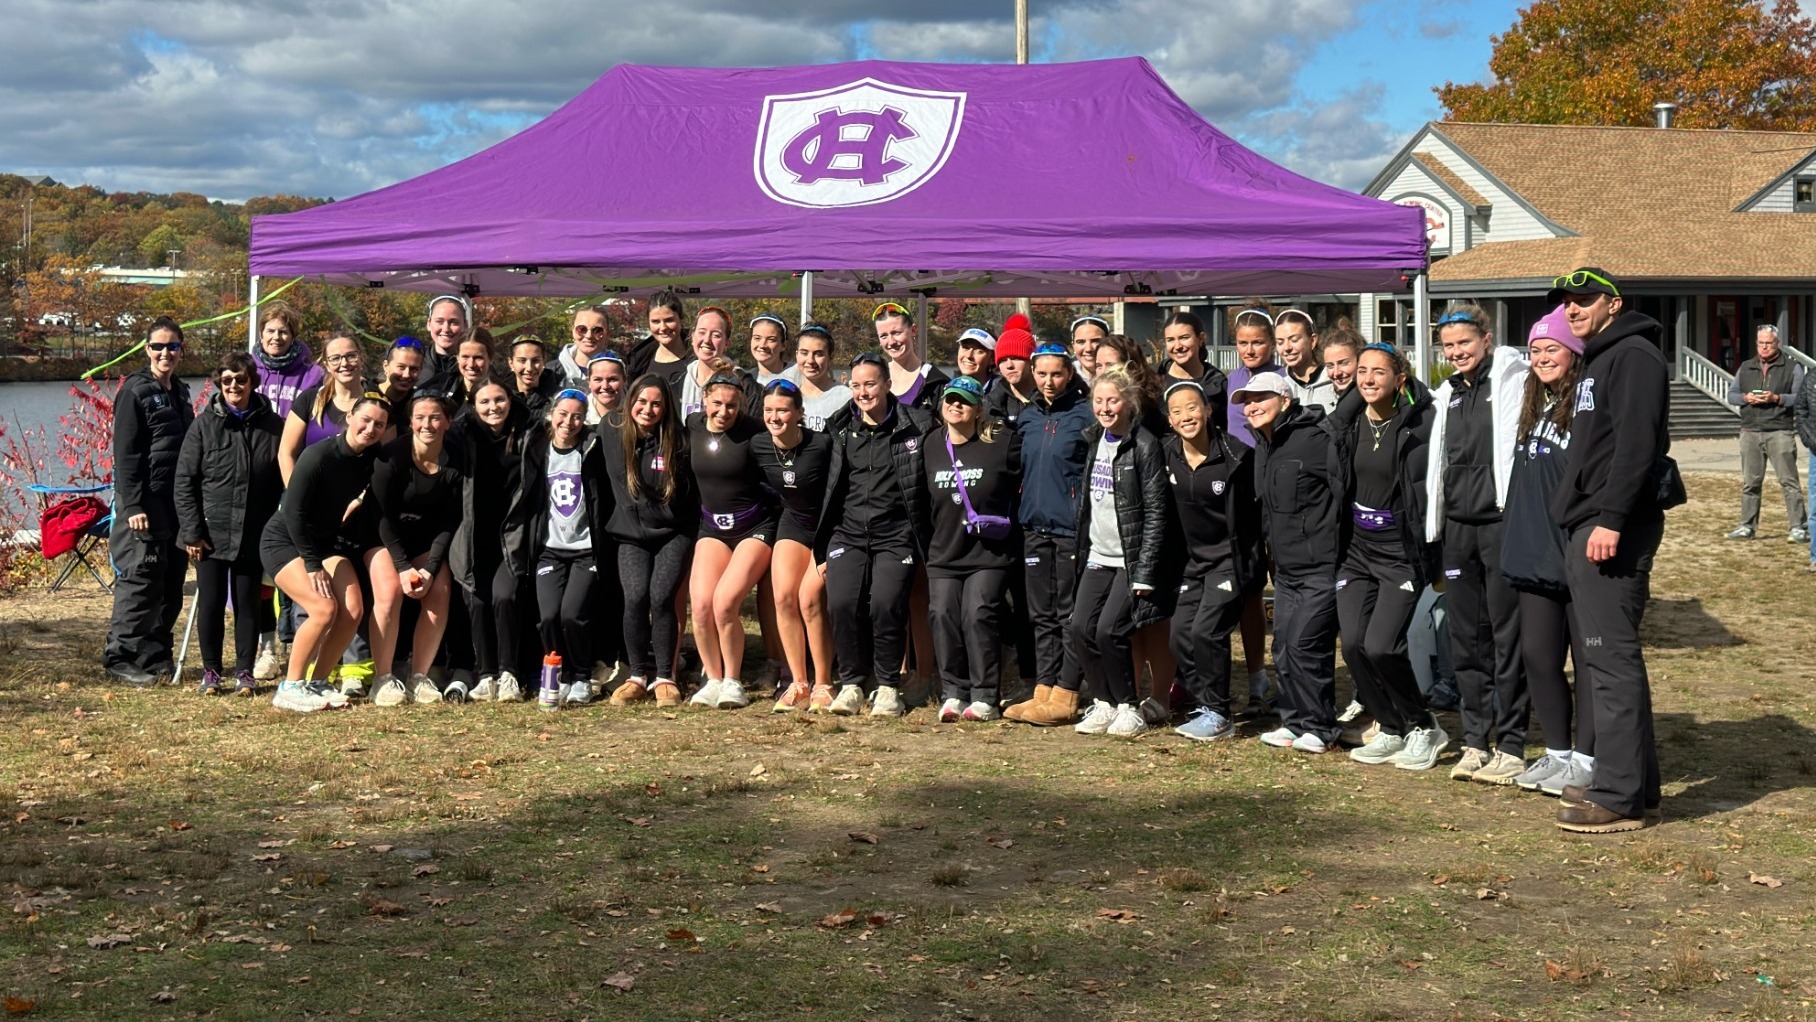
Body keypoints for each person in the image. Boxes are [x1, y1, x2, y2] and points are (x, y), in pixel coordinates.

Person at [1547, 267, 1669, 833]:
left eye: (1585, 300)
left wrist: (1611, 519)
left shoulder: (1635, 356)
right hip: (1591, 522)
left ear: (1612, 304)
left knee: (1609, 658)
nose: (1573, 309)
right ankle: (1634, 782)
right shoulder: (1600, 357)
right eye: (1567, 303)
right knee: (1609, 657)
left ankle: (1618, 797)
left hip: (1610, 528)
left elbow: (1637, 447)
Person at [1423, 304, 1532, 785]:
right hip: (1458, 530)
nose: (1456, 352)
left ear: (1486, 339)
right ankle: (1475, 740)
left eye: (1464, 342)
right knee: (1465, 639)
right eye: (1448, 346)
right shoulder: (1446, 393)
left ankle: (1511, 745)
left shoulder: (1514, 381)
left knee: (1508, 637)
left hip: (1501, 524)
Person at [1331, 344, 1449, 770]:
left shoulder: (1421, 425)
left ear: (1399, 379)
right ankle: (1391, 726)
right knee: (1355, 646)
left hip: (1399, 551)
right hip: (1356, 550)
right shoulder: (1346, 424)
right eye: (1362, 371)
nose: (1367, 379)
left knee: (1383, 646)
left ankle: (1423, 726)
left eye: (1378, 372)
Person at [1501, 307, 1596, 796]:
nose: (1541, 358)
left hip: (1579, 557)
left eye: (1551, 348)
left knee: (1589, 662)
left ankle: (1587, 758)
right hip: (1533, 553)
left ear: (1574, 351)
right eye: (1534, 350)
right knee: (1539, 657)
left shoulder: (1585, 405)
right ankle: (1558, 753)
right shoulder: (1533, 404)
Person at [817, 353, 933, 716]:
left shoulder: (917, 424)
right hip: (848, 532)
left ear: (886, 384)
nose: (864, 391)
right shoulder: (837, 428)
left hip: (896, 534)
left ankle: (887, 686)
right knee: (841, 603)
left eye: (870, 383)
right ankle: (851, 683)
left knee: (885, 604)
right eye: (856, 385)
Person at [259, 396, 389, 712]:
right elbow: (292, 512)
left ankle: (317, 684)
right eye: (365, 420)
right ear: (350, 418)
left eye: (379, 424)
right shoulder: (318, 455)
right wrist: (313, 565)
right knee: (322, 608)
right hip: (285, 542)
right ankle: (290, 687)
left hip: (324, 543)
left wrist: (359, 502)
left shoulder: (370, 458)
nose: (370, 429)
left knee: (353, 609)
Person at [1068, 365, 1174, 739]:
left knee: (1110, 630)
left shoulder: (1144, 445)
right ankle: (1103, 702)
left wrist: (1145, 571)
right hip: (1098, 554)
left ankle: (1129, 706)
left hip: (1129, 560)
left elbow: (1157, 512)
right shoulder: (1094, 439)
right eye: (1098, 400)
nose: (1105, 407)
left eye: (1113, 400)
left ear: (1129, 403)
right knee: (1081, 628)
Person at [1240, 371, 1342, 754]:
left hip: (1321, 564)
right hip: (1285, 570)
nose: (1252, 405)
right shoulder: (1263, 444)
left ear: (1285, 399)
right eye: (1247, 401)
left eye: (1261, 397)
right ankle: (1294, 722)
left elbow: (1341, 491)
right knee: (1282, 647)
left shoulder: (1315, 439)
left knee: (1306, 645)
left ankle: (1320, 725)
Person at [1159, 380, 1262, 742]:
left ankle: (1219, 713)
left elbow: (1256, 515)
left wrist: (1254, 564)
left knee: (1207, 631)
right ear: (1169, 421)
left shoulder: (1236, 456)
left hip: (1230, 561)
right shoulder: (1166, 453)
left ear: (1207, 410)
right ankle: (1204, 703)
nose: (1186, 416)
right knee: (1180, 636)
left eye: (1192, 407)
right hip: (1192, 563)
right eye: (1177, 411)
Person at [175, 351, 282, 695]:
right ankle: (211, 671)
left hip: (253, 531)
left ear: (252, 381)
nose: (234, 385)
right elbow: (185, 481)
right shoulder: (204, 425)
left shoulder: (273, 425)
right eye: (226, 380)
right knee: (210, 602)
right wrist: (192, 531)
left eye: (240, 379)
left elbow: (286, 476)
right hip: (209, 532)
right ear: (218, 384)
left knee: (248, 603)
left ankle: (245, 672)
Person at [1003, 344, 1096, 726]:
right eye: (1041, 374)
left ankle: (1068, 691)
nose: (1048, 382)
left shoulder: (1085, 414)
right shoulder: (1028, 416)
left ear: (1069, 374)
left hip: (1070, 529)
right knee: (1040, 614)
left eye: (1056, 374)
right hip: (1034, 527)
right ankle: (1044, 687)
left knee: (1068, 614)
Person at [501, 390, 612, 707]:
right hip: (550, 550)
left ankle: (580, 676)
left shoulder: (591, 449)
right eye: (563, 413)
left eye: (577, 415)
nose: (569, 421)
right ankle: (556, 675)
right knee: (548, 616)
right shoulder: (536, 450)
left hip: (585, 551)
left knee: (572, 614)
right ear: (551, 414)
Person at [922, 376, 1022, 721]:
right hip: (945, 551)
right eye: (950, 399)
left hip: (989, 553)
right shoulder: (930, 444)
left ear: (979, 409)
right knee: (942, 614)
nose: (955, 405)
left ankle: (984, 695)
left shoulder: (1002, 441)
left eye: (964, 400)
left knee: (978, 613)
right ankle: (954, 691)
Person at [103, 316, 195, 686]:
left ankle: (154, 655)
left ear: (181, 350)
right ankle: (120, 657)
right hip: (144, 504)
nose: (164, 353)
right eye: (157, 346)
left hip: (176, 503)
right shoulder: (134, 392)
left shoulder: (181, 392)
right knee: (141, 580)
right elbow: (125, 456)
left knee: (170, 582)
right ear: (146, 349)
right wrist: (134, 506)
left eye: (172, 346)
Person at [686, 366, 779, 711]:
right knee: (701, 606)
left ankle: (733, 680)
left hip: (754, 527)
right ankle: (712, 677)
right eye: (717, 404)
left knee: (725, 603)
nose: (723, 412)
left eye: (732, 406)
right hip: (712, 528)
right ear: (704, 401)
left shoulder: (754, 432)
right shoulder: (692, 427)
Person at [601, 376, 697, 707]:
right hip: (631, 533)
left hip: (674, 531)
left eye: (656, 403)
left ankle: (665, 677)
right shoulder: (612, 430)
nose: (648, 409)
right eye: (641, 402)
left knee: (661, 597)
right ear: (631, 403)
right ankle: (636, 675)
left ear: (666, 407)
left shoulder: (680, 440)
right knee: (636, 596)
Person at [364, 392, 464, 706]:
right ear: (410, 422)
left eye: (435, 417)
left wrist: (431, 568)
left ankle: (418, 677)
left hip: (427, 538)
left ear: (448, 422)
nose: (427, 424)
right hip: (383, 535)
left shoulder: (456, 459)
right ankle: (381, 679)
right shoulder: (391, 457)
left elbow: (450, 520)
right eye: (420, 417)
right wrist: (404, 567)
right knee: (391, 591)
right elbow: (382, 516)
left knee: (439, 593)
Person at [752, 379, 837, 712]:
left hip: (828, 527)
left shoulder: (823, 446)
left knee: (809, 597)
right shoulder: (758, 445)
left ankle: (824, 682)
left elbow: (842, 492)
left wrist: (832, 543)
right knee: (783, 596)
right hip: (794, 522)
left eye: (783, 410)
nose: (775, 417)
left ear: (799, 413)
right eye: (769, 410)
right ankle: (798, 682)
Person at [451, 379, 532, 702]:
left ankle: (509, 673)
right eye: (484, 402)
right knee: (478, 599)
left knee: (505, 596)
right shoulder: (462, 435)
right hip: (473, 535)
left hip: (512, 536)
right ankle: (486, 675)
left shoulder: (528, 433)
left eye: (499, 400)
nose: (493, 407)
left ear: (510, 401)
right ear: (473, 406)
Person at [1222, 307, 1283, 712]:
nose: (1249, 349)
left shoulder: (1282, 379)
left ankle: (1284, 672)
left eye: (1257, 341)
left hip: (1278, 495)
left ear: (1272, 343)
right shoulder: (1232, 382)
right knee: (1248, 590)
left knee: (1285, 586)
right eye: (1242, 342)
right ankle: (1255, 675)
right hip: (1241, 495)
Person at [1726, 325, 1807, 542]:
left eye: (1768, 343)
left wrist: (1776, 398)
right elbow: (1731, 395)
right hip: (1750, 431)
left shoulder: (1792, 368)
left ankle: (1798, 527)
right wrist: (1745, 398)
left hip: (1779, 431)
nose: (1763, 347)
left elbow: (1800, 398)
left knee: (1789, 482)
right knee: (1751, 482)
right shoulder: (1746, 367)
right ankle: (1747, 526)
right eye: (1760, 343)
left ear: (1777, 344)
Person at [279, 334, 366, 483]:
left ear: (361, 358)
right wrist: (296, 494)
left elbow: (385, 461)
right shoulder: (309, 399)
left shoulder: (377, 403)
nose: (344, 363)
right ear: (326, 365)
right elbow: (286, 453)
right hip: (311, 500)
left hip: (359, 502)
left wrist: (362, 499)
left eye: (351, 356)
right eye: (335, 358)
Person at [678, 307, 761, 419]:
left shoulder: (744, 384)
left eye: (716, 335)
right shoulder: (679, 380)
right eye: (702, 332)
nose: (707, 340)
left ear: (727, 343)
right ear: (692, 336)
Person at [1156, 312, 1230, 429]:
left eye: (1184, 338)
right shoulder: (1153, 379)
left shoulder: (1217, 383)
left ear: (1200, 339)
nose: (1178, 346)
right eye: (1170, 340)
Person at [251, 300, 321, 420]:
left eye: (283, 332)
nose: (276, 337)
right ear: (261, 335)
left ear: (293, 336)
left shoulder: (313, 374)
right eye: (270, 331)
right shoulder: (248, 368)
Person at [874, 302, 949, 411]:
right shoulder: (875, 378)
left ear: (913, 330)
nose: (891, 342)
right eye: (883, 336)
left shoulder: (935, 382)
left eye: (896, 333)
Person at [1276, 309, 1336, 412]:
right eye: (1280, 342)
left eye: (1294, 340)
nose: (1287, 348)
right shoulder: (1279, 387)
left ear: (1312, 341)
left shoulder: (1334, 379)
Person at [626, 291, 690, 386]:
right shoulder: (638, 363)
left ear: (681, 319)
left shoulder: (699, 360)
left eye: (669, 320)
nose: (663, 327)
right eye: (656, 322)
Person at [795, 325, 852, 432]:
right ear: (797, 355)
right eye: (804, 353)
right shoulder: (789, 396)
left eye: (818, 354)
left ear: (830, 358)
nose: (810, 360)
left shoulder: (846, 398)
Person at [416, 295, 472, 395]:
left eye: (453, 322)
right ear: (429, 324)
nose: (446, 329)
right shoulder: (415, 362)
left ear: (465, 325)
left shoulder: (476, 366)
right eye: (439, 321)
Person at [985, 316, 1036, 425]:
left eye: (1016, 358)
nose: (1009, 365)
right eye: (1003, 360)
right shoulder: (992, 402)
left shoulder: (1048, 398)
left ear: (1031, 361)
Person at [377, 337, 426, 430]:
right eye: (401, 367)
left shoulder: (419, 403)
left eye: (414, 369)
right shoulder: (365, 393)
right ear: (386, 366)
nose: (406, 375)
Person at [557, 307, 612, 386]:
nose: (589, 336)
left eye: (597, 330)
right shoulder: (553, 372)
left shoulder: (621, 372)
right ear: (572, 331)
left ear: (608, 334)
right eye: (582, 329)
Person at [508, 338, 564, 414]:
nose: (529, 368)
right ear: (511, 363)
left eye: (535, 361)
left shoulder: (559, 399)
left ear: (544, 361)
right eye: (522, 360)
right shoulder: (499, 396)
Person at [1797, 362, 1816, 571]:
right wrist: (1808, 438)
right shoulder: (1811, 378)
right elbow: (1801, 409)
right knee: (1815, 509)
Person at [748, 314, 802, 386]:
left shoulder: (800, 374)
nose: (762, 345)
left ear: (783, 345)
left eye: (771, 339)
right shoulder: (745, 380)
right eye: (757, 338)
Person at [1321, 327, 1363, 399]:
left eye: (1344, 363)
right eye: (1330, 366)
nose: (1337, 373)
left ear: (1360, 360)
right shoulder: (1323, 398)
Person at [955, 328, 998, 392]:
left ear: (992, 359)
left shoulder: (1003, 394)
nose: (969, 355)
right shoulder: (945, 389)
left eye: (979, 351)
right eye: (965, 348)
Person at [1071, 314, 1108, 383]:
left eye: (1095, 341)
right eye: (1081, 342)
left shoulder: (1123, 380)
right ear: (1073, 346)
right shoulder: (1064, 381)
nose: (1088, 349)